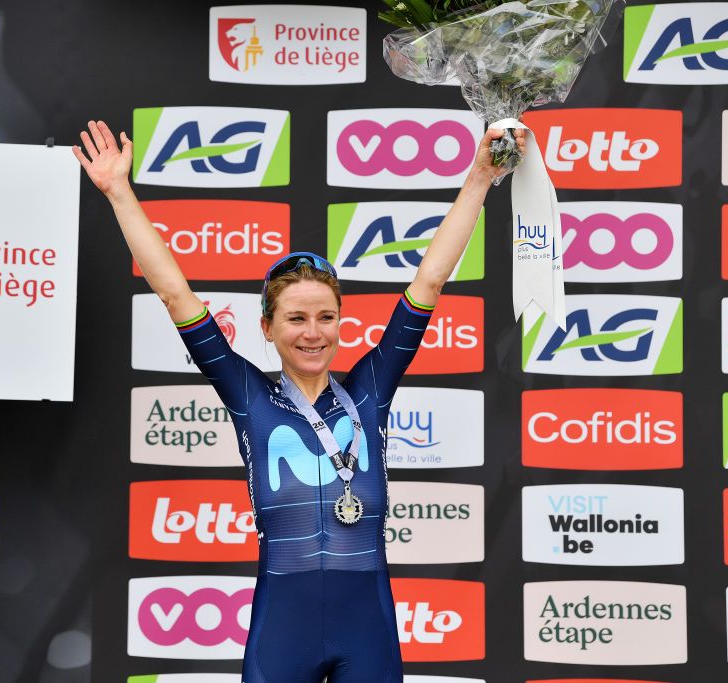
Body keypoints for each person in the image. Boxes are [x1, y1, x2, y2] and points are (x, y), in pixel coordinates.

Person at [74, 119, 522, 682]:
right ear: (267, 326)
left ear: (340, 321)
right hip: (284, 624)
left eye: (326, 317)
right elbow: (173, 292)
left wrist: (481, 177)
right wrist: (119, 190)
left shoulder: (370, 390)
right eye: (296, 319)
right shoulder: (248, 395)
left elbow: (430, 281)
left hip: (368, 625)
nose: (313, 333)